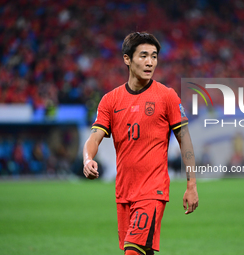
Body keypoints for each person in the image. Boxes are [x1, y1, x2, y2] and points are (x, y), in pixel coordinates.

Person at [83, 32, 199, 255]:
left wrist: (191, 185)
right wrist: (88, 159)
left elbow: (185, 141)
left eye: (154, 56)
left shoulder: (167, 96)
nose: (150, 62)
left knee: (132, 251)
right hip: (124, 192)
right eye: (143, 55)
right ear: (127, 59)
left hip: (152, 191)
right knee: (141, 251)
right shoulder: (110, 100)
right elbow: (94, 138)